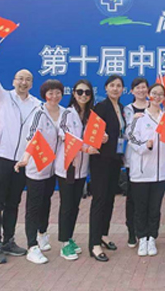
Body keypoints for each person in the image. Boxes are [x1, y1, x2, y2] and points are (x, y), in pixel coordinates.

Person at [0, 43, 41, 264]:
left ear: (32, 84)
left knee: (13, 203)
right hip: (0, 157)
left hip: (21, 161)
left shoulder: (37, 105)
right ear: (14, 81)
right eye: (20, 79)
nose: (24, 82)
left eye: (28, 80)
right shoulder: (3, 97)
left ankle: (9, 240)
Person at [15, 79, 66, 264]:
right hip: (37, 166)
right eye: (50, 93)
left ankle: (42, 233)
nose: (54, 96)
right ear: (45, 95)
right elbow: (32, 136)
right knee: (34, 206)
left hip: (53, 168)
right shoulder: (39, 112)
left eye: (58, 92)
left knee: (46, 201)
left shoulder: (65, 113)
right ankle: (32, 246)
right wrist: (26, 158)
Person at [56, 80, 100, 260]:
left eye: (87, 92)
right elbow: (64, 134)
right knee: (67, 206)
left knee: (75, 205)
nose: (83, 95)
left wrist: (102, 137)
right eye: (80, 92)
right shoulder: (67, 113)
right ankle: (64, 243)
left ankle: (69, 238)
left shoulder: (91, 115)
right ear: (73, 93)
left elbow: (95, 135)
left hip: (82, 169)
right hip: (68, 166)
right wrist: (85, 148)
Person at [128, 83, 165, 257]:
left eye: (160, 94)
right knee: (140, 208)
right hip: (141, 171)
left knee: (155, 208)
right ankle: (142, 238)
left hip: (159, 172)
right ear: (148, 95)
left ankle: (152, 237)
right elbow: (131, 138)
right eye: (154, 93)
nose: (157, 97)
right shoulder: (139, 117)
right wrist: (145, 145)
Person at [89, 75, 126, 261]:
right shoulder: (101, 107)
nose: (115, 88)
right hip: (101, 161)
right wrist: (100, 138)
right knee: (99, 200)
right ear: (106, 88)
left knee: (110, 199)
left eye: (119, 86)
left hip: (114, 160)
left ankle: (103, 234)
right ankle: (94, 244)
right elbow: (92, 134)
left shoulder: (121, 108)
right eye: (112, 85)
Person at [123, 77, 149, 248]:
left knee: (148, 198)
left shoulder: (154, 107)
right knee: (132, 198)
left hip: (151, 159)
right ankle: (132, 231)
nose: (141, 90)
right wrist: (134, 120)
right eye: (137, 88)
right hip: (132, 159)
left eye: (144, 87)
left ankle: (145, 231)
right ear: (132, 91)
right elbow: (126, 133)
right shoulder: (127, 110)